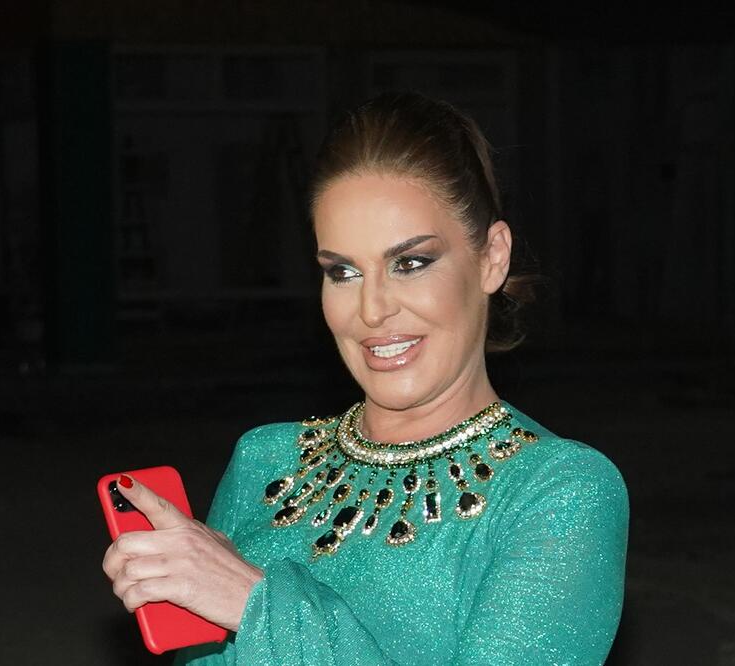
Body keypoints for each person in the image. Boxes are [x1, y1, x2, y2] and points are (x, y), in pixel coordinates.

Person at [103, 91, 629, 665]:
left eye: (411, 263)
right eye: (343, 272)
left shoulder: (557, 491)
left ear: (492, 258)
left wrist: (256, 604)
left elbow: (253, 606)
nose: (372, 310)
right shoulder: (264, 460)